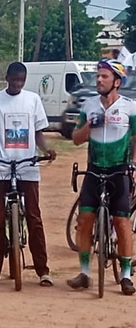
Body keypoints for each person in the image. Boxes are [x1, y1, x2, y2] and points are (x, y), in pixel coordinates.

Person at [0, 61, 56, 288]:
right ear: (7, 78)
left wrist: (46, 149)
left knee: (34, 217)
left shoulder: (32, 100)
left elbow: (38, 133)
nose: (17, 84)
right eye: (14, 80)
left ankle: (43, 271)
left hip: (27, 166)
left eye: (21, 80)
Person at [67, 59, 136, 295]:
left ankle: (126, 275)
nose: (98, 80)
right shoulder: (89, 105)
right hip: (95, 169)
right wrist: (89, 125)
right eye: (98, 76)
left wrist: (133, 165)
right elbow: (76, 138)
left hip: (119, 170)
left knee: (122, 222)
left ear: (116, 82)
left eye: (104, 76)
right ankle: (85, 273)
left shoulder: (130, 107)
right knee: (85, 220)